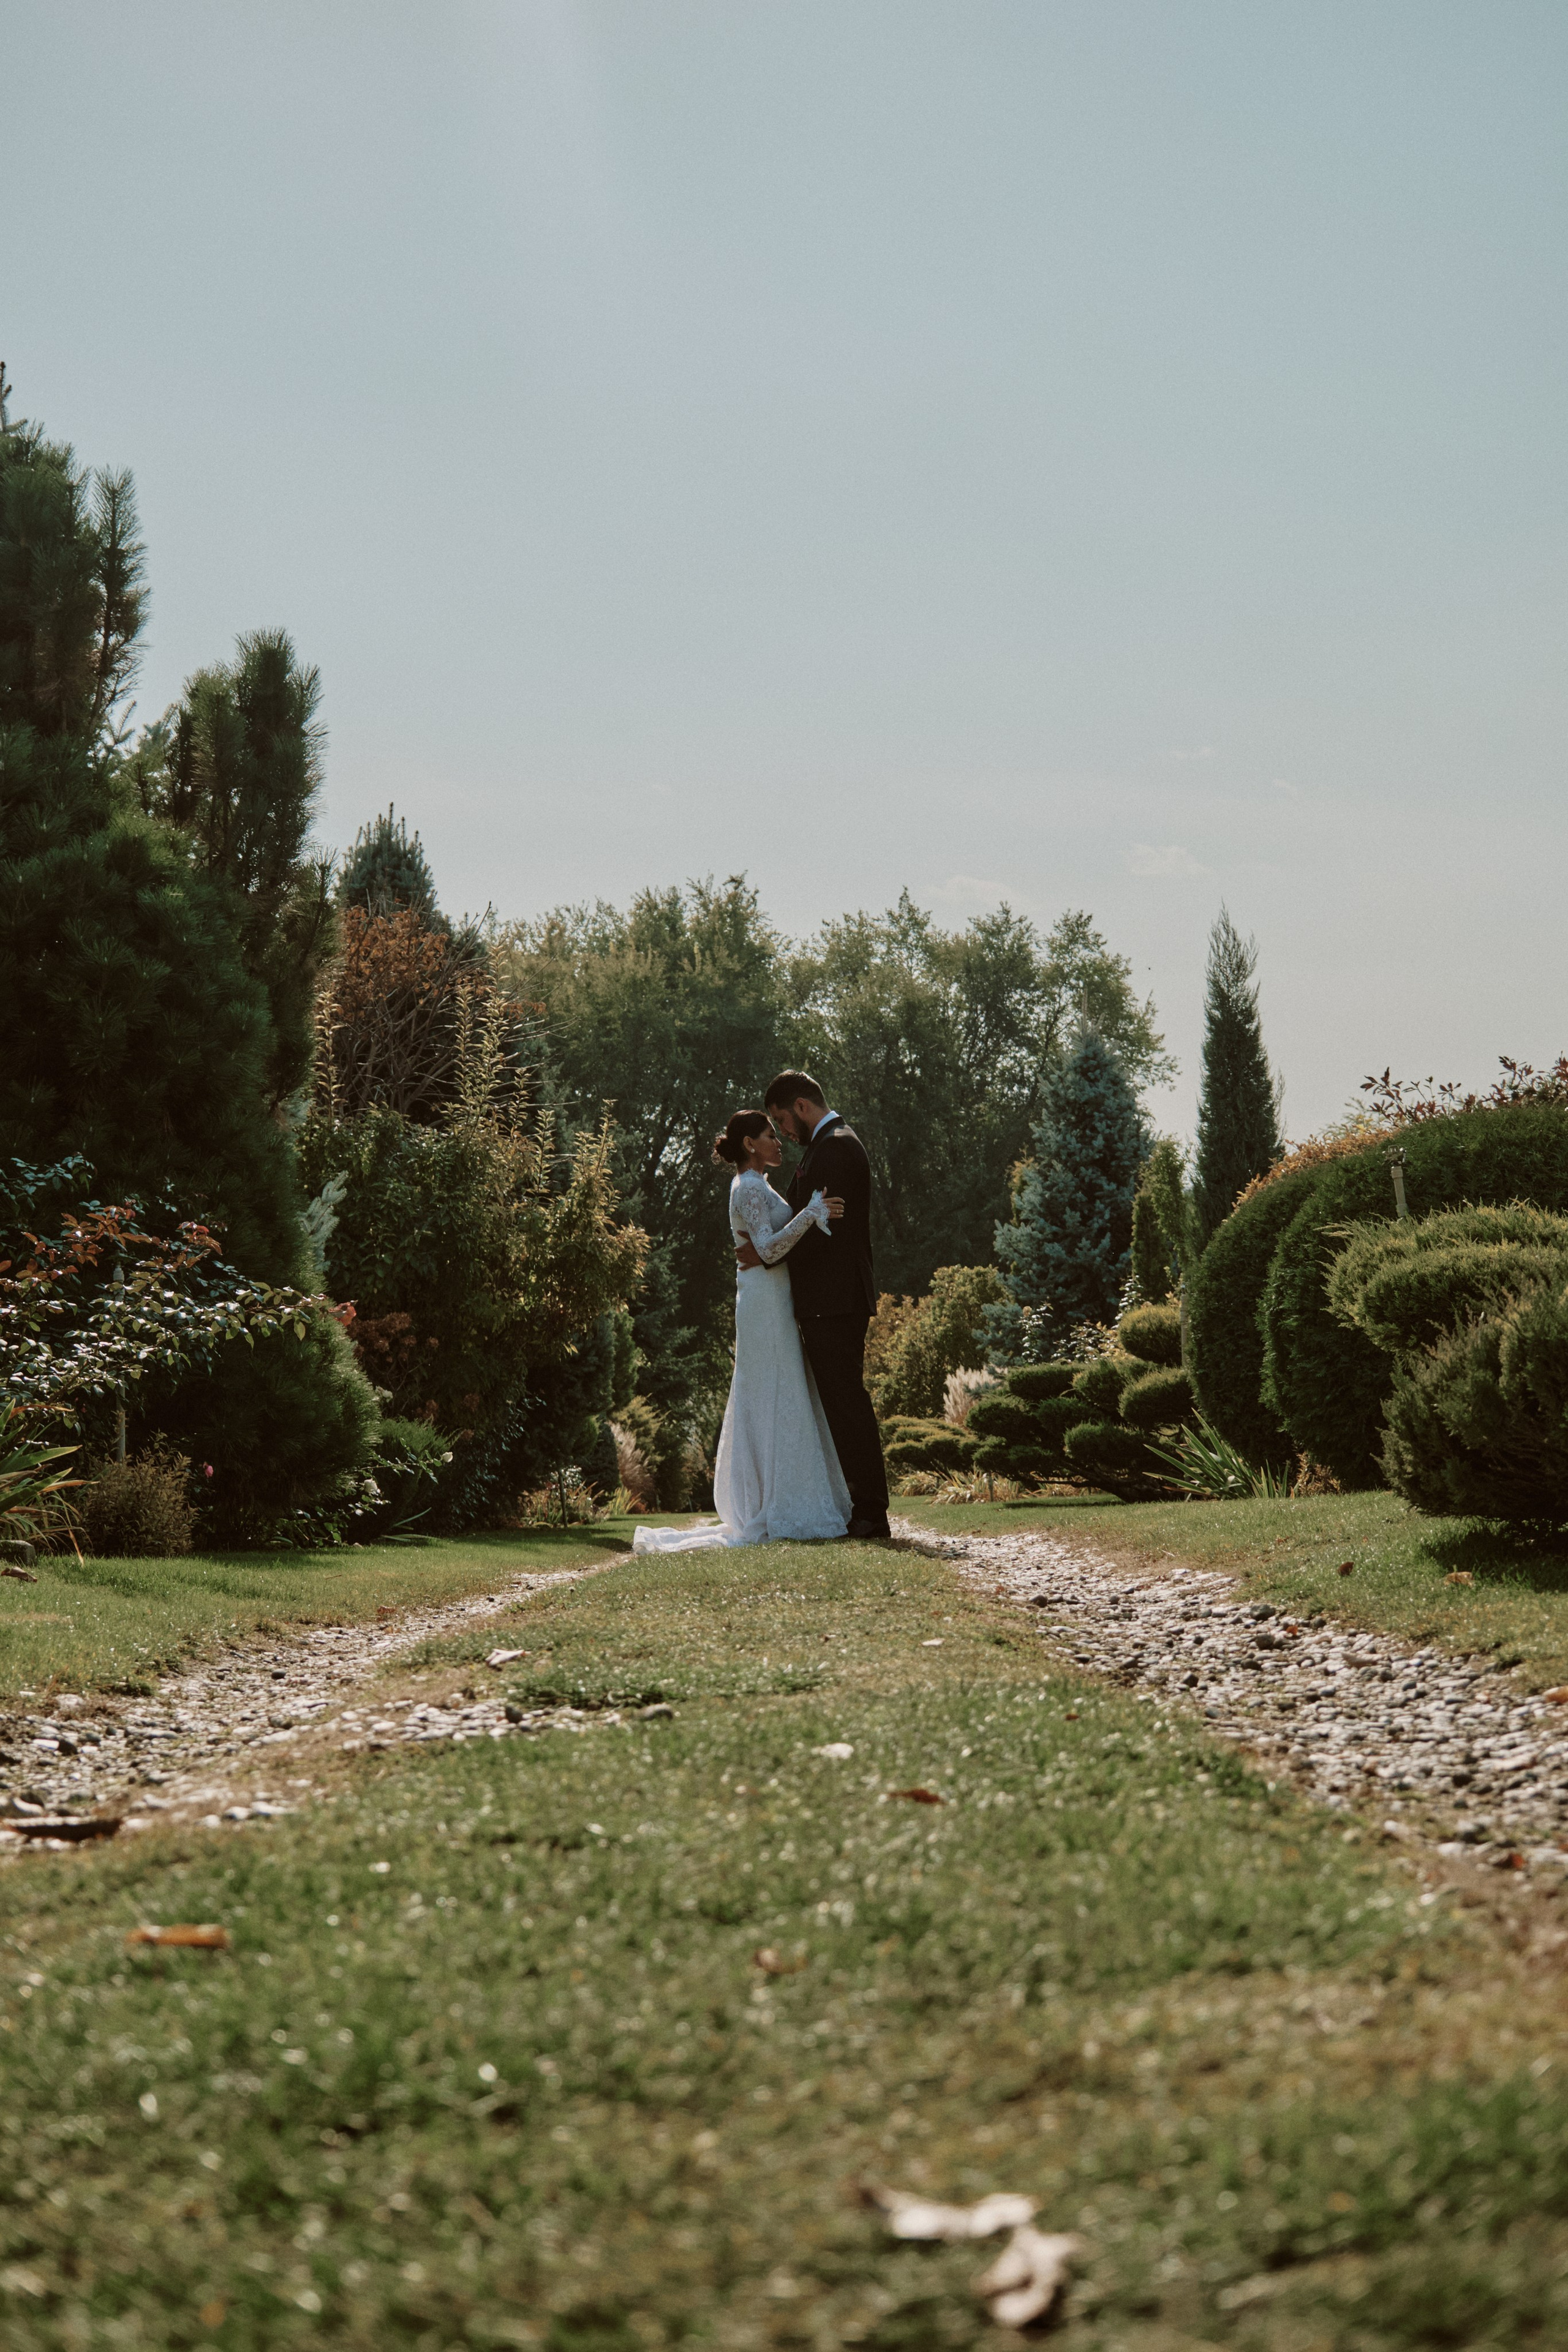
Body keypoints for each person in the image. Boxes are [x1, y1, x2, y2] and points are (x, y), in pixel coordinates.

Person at [631, 1111, 852, 1552]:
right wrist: (810, 1214)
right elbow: (768, 1248)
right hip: (763, 1301)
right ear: (750, 1143)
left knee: (784, 1388)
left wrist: (801, 1223)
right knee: (771, 1390)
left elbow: (767, 1246)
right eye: (771, 1136)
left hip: (774, 1296)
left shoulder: (760, 1184)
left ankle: (786, 1494)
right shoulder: (748, 1186)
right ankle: (771, 1502)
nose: (778, 1142)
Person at [742, 1070, 891, 1542]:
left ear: (802, 1107)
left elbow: (824, 1233)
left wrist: (767, 1257)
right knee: (840, 1403)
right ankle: (858, 1505)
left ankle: (871, 1511)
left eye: (783, 1120)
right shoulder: (825, 1148)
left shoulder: (837, 1148)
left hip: (835, 1298)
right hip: (829, 1298)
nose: (784, 1131)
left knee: (847, 1402)